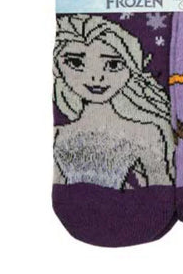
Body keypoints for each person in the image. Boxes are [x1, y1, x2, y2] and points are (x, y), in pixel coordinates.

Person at [53, 14, 174, 189]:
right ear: (57, 66)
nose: (96, 77)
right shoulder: (59, 134)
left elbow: (160, 183)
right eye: (76, 62)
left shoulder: (146, 133)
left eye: (113, 65)